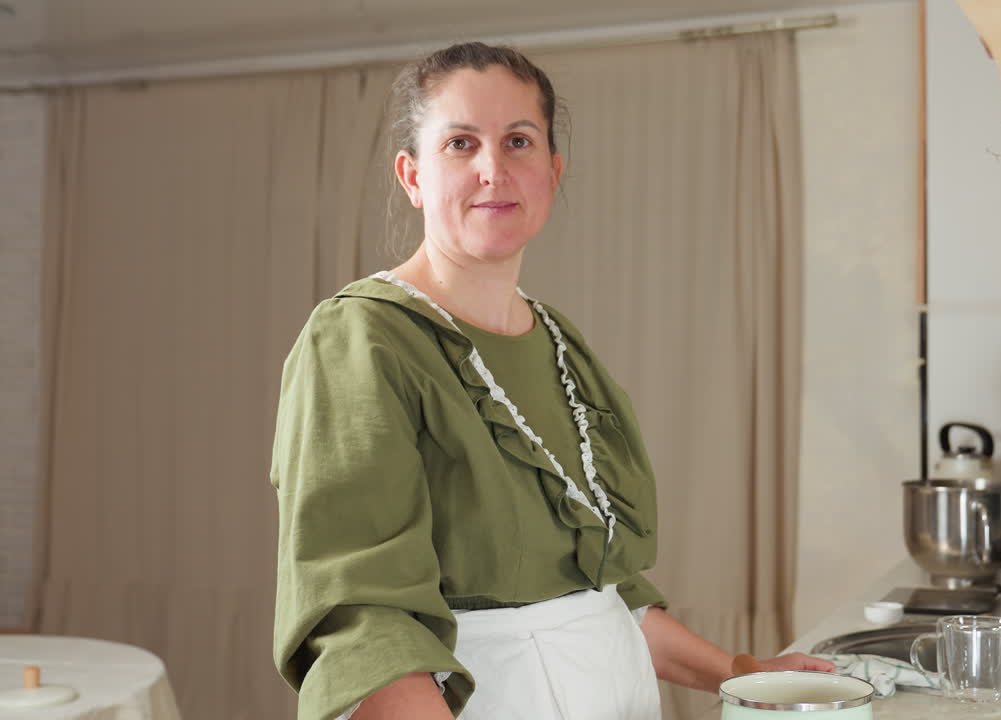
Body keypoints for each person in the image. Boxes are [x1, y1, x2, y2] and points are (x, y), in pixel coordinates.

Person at [270, 41, 834, 720]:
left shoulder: (559, 344)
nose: (492, 169)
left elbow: (597, 590)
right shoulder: (362, 338)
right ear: (412, 176)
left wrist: (741, 673)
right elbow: (363, 619)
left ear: (552, 170)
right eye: (459, 144)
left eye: (518, 141)